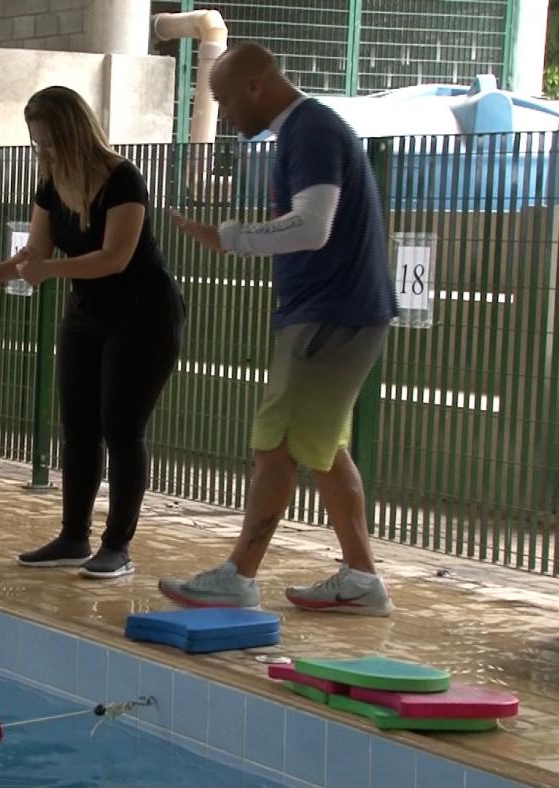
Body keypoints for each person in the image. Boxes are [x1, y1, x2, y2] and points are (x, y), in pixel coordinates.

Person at [158, 43, 399, 616]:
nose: (223, 114)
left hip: (328, 313)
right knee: (322, 447)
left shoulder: (310, 130)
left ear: (256, 85)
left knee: (278, 445)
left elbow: (313, 228)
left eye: (222, 99)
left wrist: (230, 237)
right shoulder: (306, 130)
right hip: (339, 311)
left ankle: (238, 577)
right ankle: (362, 579)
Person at [0, 85, 185, 580]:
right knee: (79, 427)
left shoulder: (122, 178)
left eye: (48, 144)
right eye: (36, 145)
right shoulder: (51, 182)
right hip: (88, 314)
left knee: (121, 429)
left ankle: (117, 546)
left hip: (143, 314)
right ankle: (73, 537)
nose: (41, 154)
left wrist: (50, 273)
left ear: (73, 135)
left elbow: (115, 258)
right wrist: (0, 273)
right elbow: (37, 251)